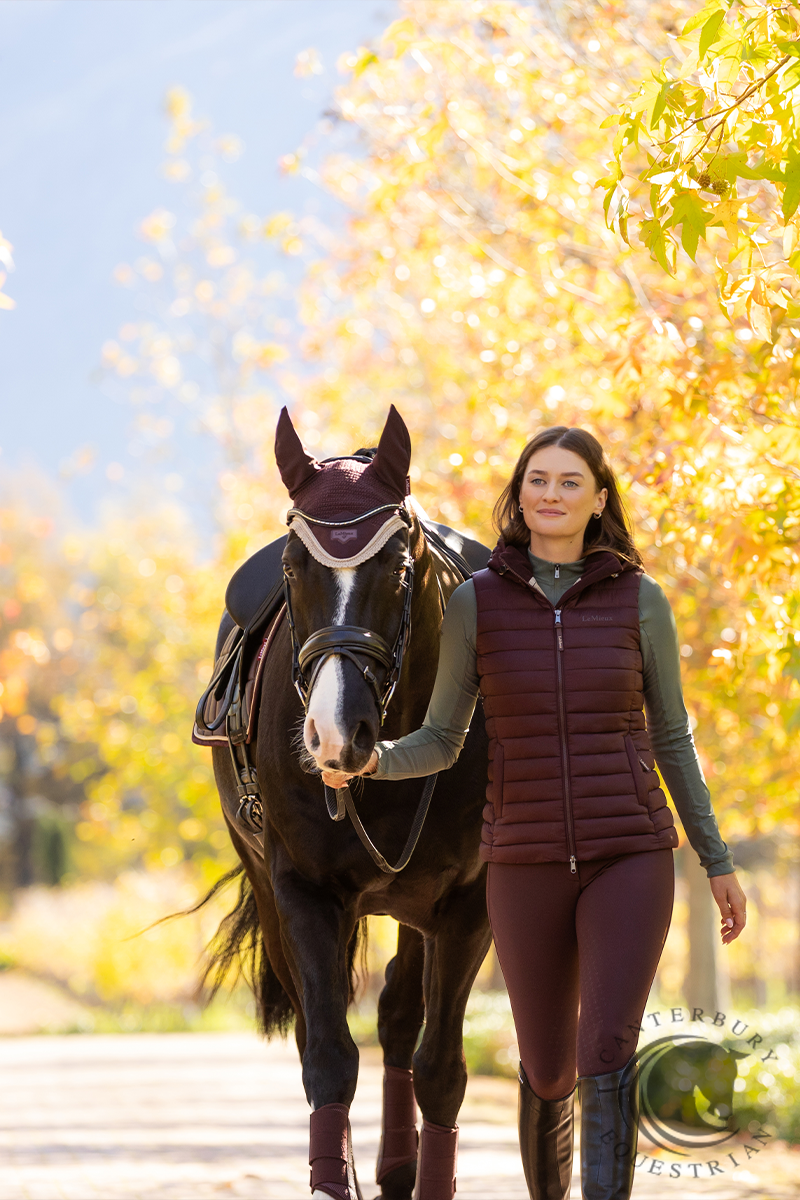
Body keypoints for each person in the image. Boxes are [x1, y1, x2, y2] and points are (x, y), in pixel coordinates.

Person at [323, 425, 747, 1200]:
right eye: (538, 480)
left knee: (606, 1045)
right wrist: (375, 759)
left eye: (570, 482)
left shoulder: (639, 600)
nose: (551, 495)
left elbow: (674, 739)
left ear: (599, 500)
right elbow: (444, 738)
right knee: (548, 1064)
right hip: (523, 860)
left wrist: (715, 860)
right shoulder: (475, 604)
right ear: (519, 495)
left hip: (631, 853)